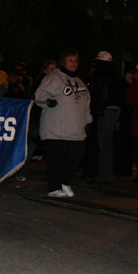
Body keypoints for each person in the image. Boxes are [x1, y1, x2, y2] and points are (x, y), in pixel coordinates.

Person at [35, 50, 92, 198]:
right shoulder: (53, 78)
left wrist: (88, 121)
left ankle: (64, 182)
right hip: (56, 127)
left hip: (75, 129)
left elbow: (86, 105)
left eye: (75, 60)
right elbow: (40, 94)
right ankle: (54, 187)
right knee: (56, 159)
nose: (73, 63)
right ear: (63, 62)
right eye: (70, 60)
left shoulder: (81, 83)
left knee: (76, 156)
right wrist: (48, 101)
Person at [86, 51, 122, 185]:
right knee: (106, 143)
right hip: (112, 110)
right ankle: (103, 174)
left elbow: (101, 96)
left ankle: (103, 176)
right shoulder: (114, 76)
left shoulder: (102, 76)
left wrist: (97, 111)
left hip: (105, 111)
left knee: (104, 144)